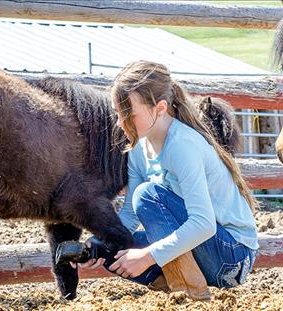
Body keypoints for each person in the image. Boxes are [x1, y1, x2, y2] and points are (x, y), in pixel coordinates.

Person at [74, 60, 259, 300]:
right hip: (204, 253)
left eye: (128, 113)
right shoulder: (139, 148)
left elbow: (204, 224)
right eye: (118, 114)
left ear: (160, 108)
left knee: (147, 195)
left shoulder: (182, 146)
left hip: (232, 258)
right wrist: (99, 243)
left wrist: (148, 256)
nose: (120, 123)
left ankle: (190, 294)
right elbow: (130, 215)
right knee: (115, 250)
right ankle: (176, 284)